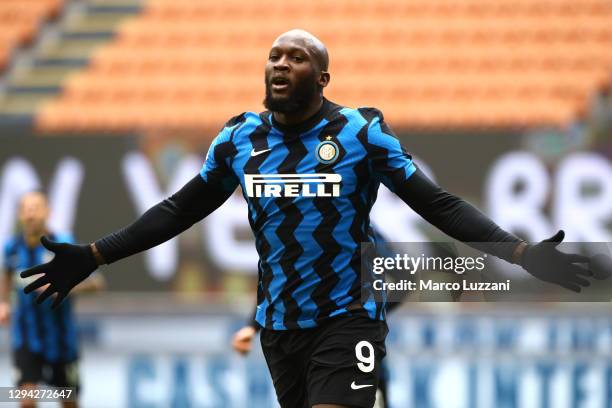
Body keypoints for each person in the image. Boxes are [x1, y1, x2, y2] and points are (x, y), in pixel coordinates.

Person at [18, 29, 601, 408]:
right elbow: (178, 210)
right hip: (280, 327)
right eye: (274, 56)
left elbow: (437, 202)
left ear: (322, 78)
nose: (280, 65)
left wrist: (520, 253)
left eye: (297, 58)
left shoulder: (360, 134)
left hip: (348, 318)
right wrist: (94, 254)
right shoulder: (240, 140)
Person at [0, 191, 105, 408]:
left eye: (35, 208)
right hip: (26, 337)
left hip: (62, 340)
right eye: (25, 209)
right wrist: (4, 304)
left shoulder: (63, 245)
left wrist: (65, 287)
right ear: (19, 215)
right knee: (27, 400)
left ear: (47, 212)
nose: (30, 215)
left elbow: (97, 283)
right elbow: (6, 277)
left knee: (69, 401)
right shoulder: (11, 248)